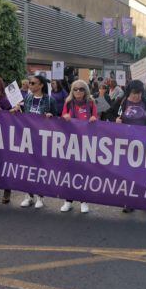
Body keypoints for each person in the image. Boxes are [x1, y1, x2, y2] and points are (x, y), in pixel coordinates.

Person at [115, 80, 146, 212]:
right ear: (129, 92)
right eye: (134, 93)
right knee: (129, 175)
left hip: (144, 144)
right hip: (127, 145)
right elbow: (109, 113)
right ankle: (130, 202)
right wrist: (116, 120)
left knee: (145, 175)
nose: (137, 96)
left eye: (139, 93)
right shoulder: (122, 102)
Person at [12, 74, 56, 208]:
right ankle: (28, 195)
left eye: (32, 83)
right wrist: (16, 111)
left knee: (40, 168)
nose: (29, 85)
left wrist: (51, 116)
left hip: (42, 139)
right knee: (27, 168)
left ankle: (40, 197)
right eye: (29, 83)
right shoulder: (28, 98)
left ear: (41, 85)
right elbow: (24, 116)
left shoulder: (49, 100)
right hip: (27, 137)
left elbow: (56, 120)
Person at [60, 79, 98, 214]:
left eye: (81, 89)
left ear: (85, 90)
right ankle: (68, 201)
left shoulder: (91, 103)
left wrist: (93, 119)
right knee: (69, 172)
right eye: (75, 89)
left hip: (86, 143)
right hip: (70, 142)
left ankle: (84, 200)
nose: (78, 91)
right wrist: (65, 117)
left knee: (83, 172)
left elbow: (95, 117)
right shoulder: (68, 102)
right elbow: (62, 118)